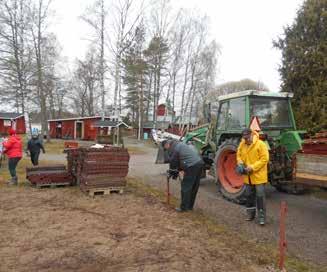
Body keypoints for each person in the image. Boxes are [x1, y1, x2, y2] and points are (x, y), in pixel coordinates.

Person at [236, 128, 269, 225]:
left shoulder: (260, 144)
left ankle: (262, 217)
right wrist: (240, 163)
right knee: (249, 195)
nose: (246, 140)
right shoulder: (242, 144)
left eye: (247, 138)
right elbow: (239, 155)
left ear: (251, 135)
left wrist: (252, 167)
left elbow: (264, 159)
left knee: (260, 196)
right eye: (244, 138)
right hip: (247, 177)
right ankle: (250, 214)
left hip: (258, 176)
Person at [162, 139, 204, 212]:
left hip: (192, 165)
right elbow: (180, 161)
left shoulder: (174, 148)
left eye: (166, 148)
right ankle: (190, 207)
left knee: (186, 187)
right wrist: (176, 171)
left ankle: (184, 208)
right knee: (194, 187)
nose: (167, 150)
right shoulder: (179, 144)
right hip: (199, 163)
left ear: (167, 145)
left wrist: (172, 173)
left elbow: (174, 162)